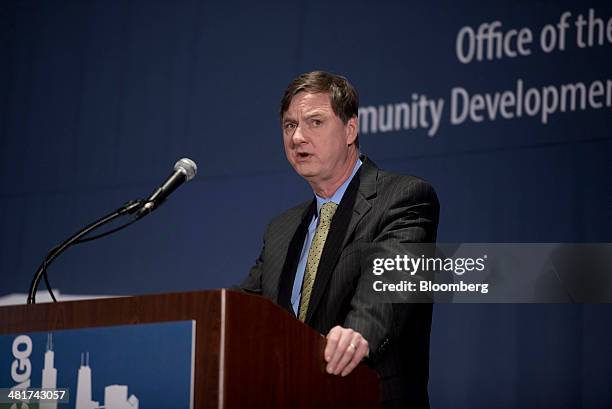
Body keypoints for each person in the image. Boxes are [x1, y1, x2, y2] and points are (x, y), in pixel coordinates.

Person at [239, 70, 439, 408]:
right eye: (290, 126)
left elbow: (389, 282)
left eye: (315, 122)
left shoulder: (402, 197)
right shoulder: (282, 228)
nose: (298, 137)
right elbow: (247, 308)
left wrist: (356, 333)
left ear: (350, 130)